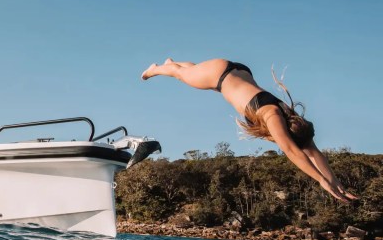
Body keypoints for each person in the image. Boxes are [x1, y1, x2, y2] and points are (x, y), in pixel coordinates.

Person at [141, 58, 357, 202]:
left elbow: (312, 151)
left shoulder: (287, 113)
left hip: (236, 71)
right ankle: (157, 69)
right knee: (180, 74)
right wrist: (320, 180)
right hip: (219, 76)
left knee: (190, 71)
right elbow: (294, 152)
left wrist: (334, 181)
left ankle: (173, 63)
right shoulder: (272, 115)